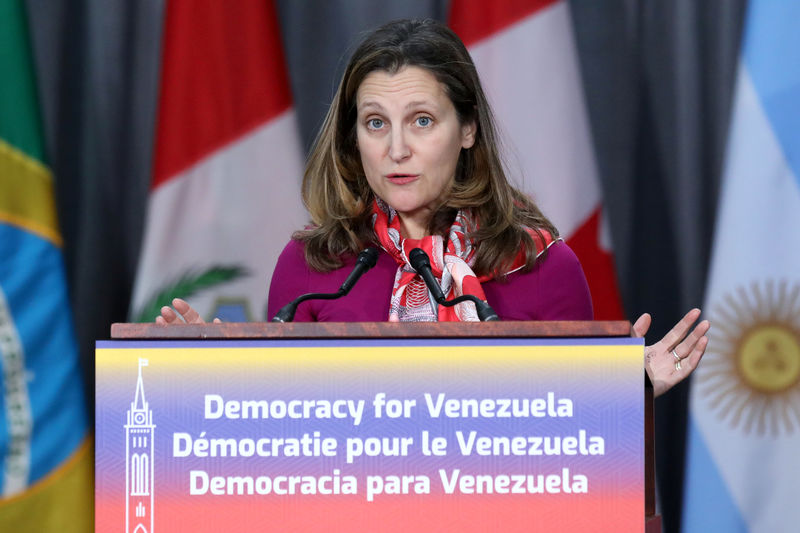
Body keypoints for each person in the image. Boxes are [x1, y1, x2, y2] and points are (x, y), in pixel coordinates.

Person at [157, 19, 709, 397]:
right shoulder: (312, 268)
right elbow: (280, 446)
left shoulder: (543, 266)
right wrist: (218, 382)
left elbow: (572, 454)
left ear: (467, 128)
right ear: (354, 138)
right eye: (376, 123)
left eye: (422, 120)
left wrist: (619, 393)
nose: (397, 149)